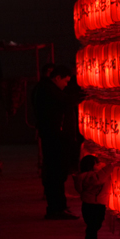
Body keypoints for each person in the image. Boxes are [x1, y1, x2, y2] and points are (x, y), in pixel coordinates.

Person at [33, 64, 78, 220]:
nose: (66, 85)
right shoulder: (48, 89)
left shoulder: (45, 88)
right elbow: (65, 100)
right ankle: (56, 208)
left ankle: (58, 206)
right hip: (55, 138)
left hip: (55, 137)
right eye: (65, 81)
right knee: (56, 174)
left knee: (56, 173)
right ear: (57, 78)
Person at [73, 155, 111, 239]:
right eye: (97, 163)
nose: (100, 165)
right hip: (94, 204)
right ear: (90, 166)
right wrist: (110, 166)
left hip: (89, 203)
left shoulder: (83, 176)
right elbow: (99, 179)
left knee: (94, 223)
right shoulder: (90, 176)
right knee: (94, 224)